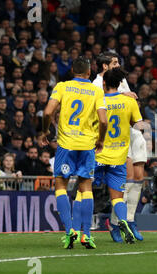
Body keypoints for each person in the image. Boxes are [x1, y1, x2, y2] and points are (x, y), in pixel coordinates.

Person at [38, 56, 108, 249]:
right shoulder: (96, 90)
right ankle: (86, 235)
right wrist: (100, 140)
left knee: (61, 186)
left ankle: (70, 231)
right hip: (87, 146)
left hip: (66, 144)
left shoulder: (62, 86)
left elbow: (47, 113)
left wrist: (45, 131)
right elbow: (103, 121)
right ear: (89, 72)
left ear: (72, 71)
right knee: (86, 189)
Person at [92, 52, 147, 242]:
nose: (117, 65)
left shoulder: (119, 78)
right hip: (112, 141)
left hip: (130, 131)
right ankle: (116, 223)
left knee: (139, 176)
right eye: (114, 63)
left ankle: (129, 220)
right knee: (127, 177)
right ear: (104, 66)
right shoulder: (97, 84)